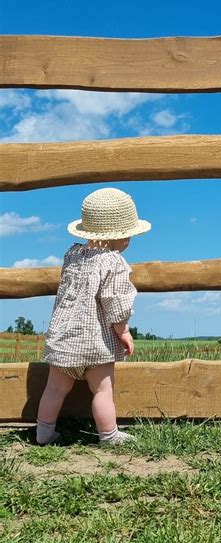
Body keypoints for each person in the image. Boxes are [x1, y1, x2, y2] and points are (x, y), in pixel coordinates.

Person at [36, 187, 151, 445]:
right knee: (102, 390)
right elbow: (115, 301)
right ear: (121, 237)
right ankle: (108, 434)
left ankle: (43, 432)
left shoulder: (73, 256)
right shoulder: (114, 262)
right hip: (96, 344)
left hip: (64, 340)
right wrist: (123, 331)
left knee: (54, 389)